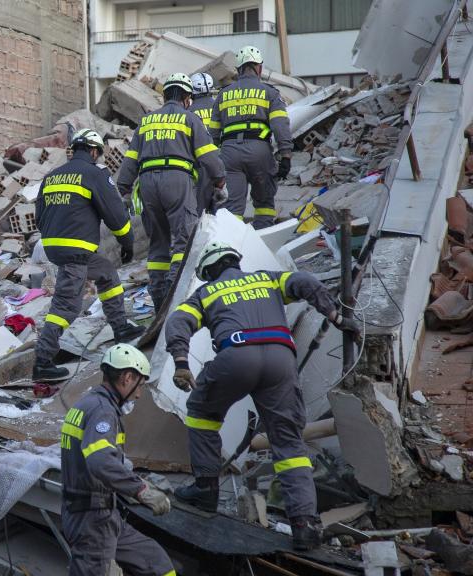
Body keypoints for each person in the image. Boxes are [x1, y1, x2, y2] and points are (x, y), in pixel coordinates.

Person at [164, 242, 360, 550]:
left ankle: (205, 490)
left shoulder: (207, 293)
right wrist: (336, 316)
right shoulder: (267, 279)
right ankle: (305, 524)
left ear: (209, 271)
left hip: (236, 358)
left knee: (202, 414)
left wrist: (180, 362)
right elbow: (305, 281)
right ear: (235, 262)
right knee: (289, 443)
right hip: (281, 361)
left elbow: (178, 322)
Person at [54, 344, 181, 576]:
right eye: (140, 384)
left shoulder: (88, 404)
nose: (139, 393)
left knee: (156, 563)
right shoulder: (102, 411)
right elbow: (100, 461)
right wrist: (141, 491)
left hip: (101, 515)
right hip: (91, 520)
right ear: (126, 377)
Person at [32, 129, 143, 382]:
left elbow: (39, 217)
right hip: (76, 250)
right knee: (66, 306)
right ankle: (42, 361)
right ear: (94, 151)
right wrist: (127, 243)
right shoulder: (95, 173)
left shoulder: (52, 176)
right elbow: (116, 215)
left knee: (106, 272)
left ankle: (121, 327)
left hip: (55, 246)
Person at [116, 73, 226, 312]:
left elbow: (130, 159)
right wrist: (219, 182)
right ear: (187, 97)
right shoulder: (190, 119)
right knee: (182, 241)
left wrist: (124, 190)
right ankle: (174, 300)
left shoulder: (146, 122)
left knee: (158, 244)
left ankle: (158, 298)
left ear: (165, 96)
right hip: (177, 180)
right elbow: (208, 155)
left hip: (147, 185)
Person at [209, 46, 292, 229]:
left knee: (233, 209)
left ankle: (232, 250)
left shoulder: (223, 95)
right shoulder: (269, 92)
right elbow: (280, 125)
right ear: (259, 68)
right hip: (259, 153)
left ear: (238, 69)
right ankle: (261, 246)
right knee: (264, 206)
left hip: (229, 155)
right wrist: (285, 155)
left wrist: (213, 164)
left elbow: (213, 134)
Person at [189, 72, 217, 215]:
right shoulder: (219, 106)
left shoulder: (188, 112)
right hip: (222, 160)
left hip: (200, 166)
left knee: (201, 208)